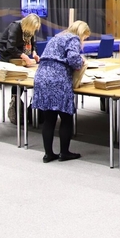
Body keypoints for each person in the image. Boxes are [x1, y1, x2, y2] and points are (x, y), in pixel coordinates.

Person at [32, 20, 90, 163]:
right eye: (84, 37)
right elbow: (72, 58)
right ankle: (65, 152)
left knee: (49, 118)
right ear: (81, 32)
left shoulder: (57, 37)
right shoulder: (73, 38)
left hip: (42, 76)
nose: (82, 40)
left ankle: (48, 154)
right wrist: (81, 63)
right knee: (66, 117)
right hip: (58, 78)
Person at [0, 13, 41, 124]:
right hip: (8, 54)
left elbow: (32, 42)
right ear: (28, 24)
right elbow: (10, 46)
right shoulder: (15, 26)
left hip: (20, 54)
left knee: (24, 76)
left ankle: (20, 102)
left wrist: (34, 53)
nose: (33, 31)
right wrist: (24, 56)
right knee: (17, 78)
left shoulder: (29, 29)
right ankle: (15, 100)